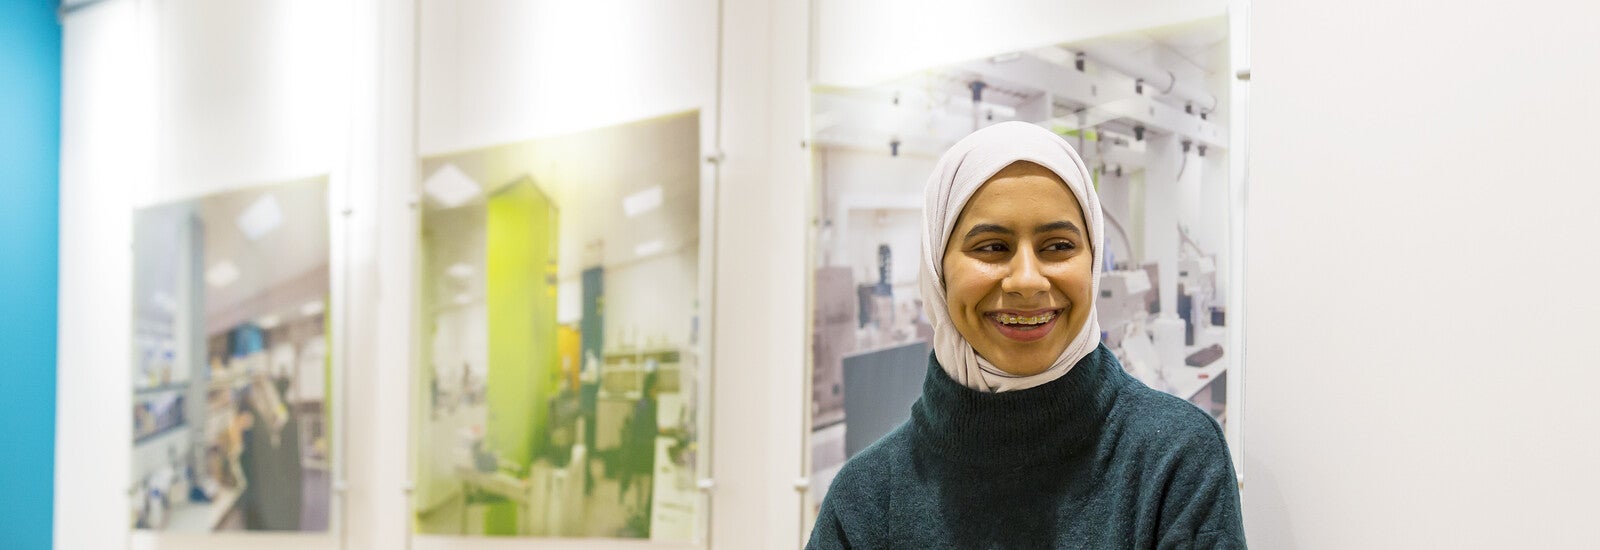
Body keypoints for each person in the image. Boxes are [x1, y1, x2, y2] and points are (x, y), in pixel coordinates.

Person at [806, 122, 1245, 548]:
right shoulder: (866, 501)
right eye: (992, 247)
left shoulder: (1176, 463)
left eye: (1058, 246)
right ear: (938, 269)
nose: (1027, 281)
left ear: (1092, 262)